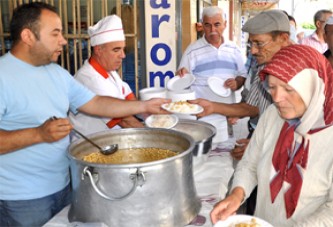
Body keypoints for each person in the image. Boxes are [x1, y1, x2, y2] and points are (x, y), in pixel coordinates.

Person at [0, 3, 169, 226]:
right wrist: (38, 134)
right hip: (22, 200)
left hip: (64, 185)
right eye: (55, 33)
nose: (63, 40)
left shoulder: (56, 72)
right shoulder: (3, 75)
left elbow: (97, 103)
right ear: (28, 36)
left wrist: (144, 107)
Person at [210, 44, 333, 226]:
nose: (276, 98)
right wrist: (237, 194)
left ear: (313, 87)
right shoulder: (272, 115)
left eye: (288, 89)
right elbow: (250, 164)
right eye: (272, 87)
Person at [191, 9, 292, 161]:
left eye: (259, 43)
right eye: (251, 43)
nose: (253, 51)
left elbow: (300, 129)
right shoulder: (264, 66)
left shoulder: (303, 69)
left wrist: (260, 145)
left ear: (284, 38)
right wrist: (211, 107)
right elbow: (252, 107)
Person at [176, 6, 247, 147]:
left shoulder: (234, 50)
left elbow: (242, 75)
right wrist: (181, 75)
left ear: (225, 25)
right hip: (202, 116)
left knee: (225, 155)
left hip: (226, 115)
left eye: (217, 24)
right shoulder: (192, 50)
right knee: (202, 152)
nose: (212, 30)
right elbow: (182, 81)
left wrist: (237, 83)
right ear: (202, 26)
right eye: (207, 25)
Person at [69, 15, 143, 139]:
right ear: (99, 50)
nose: (123, 55)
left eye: (123, 49)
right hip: (92, 147)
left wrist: (150, 113)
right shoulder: (89, 79)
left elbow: (129, 98)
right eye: (116, 50)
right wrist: (151, 134)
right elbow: (124, 120)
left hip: (110, 139)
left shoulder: (110, 71)